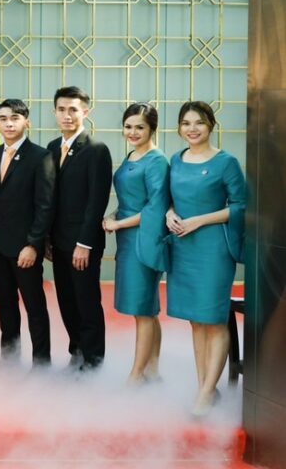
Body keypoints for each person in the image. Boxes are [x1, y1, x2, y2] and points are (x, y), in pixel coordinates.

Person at [165, 101, 247, 416]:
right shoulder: (176, 160)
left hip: (213, 247)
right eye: (186, 123)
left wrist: (200, 220)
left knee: (213, 318)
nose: (192, 129)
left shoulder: (226, 162)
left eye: (199, 122)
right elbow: (170, 198)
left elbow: (240, 205)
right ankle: (206, 389)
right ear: (179, 128)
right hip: (183, 246)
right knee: (196, 320)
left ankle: (206, 392)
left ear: (211, 125)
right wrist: (170, 213)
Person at [0, 98, 56, 366]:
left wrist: (33, 244)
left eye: (15, 118)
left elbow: (45, 205)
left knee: (34, 307)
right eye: (3, 119)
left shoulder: (40, 156)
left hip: (25, 247)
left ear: (27, 122)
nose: (9, 124)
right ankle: (9, 360)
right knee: (5, 306)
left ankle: (41, 363)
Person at [47, 86, 114, 371]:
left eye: (73, 109)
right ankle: (76, 353)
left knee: (86, 302)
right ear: (55, 112)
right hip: (58, 241)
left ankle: (93, 361)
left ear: (85, 112)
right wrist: (47, 239)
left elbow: (97, 201)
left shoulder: (96, 150)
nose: (67, 115)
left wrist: (84, 244)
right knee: (66, 301)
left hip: (82, 243)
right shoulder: (52, 147)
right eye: (61, 109)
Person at [103, 103, 170, 385]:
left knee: (143, 309)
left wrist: (119, 224)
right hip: (128, 237)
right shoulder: (132, 155)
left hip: (145, 238)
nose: (132, 132)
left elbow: (155, 207)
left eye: (139, 127)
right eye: (128, 127)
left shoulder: (156, 161)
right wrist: (114, 214)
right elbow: (130, 199)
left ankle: (136, 375)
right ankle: (152, 369)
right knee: (146, 309)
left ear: (152, 128)